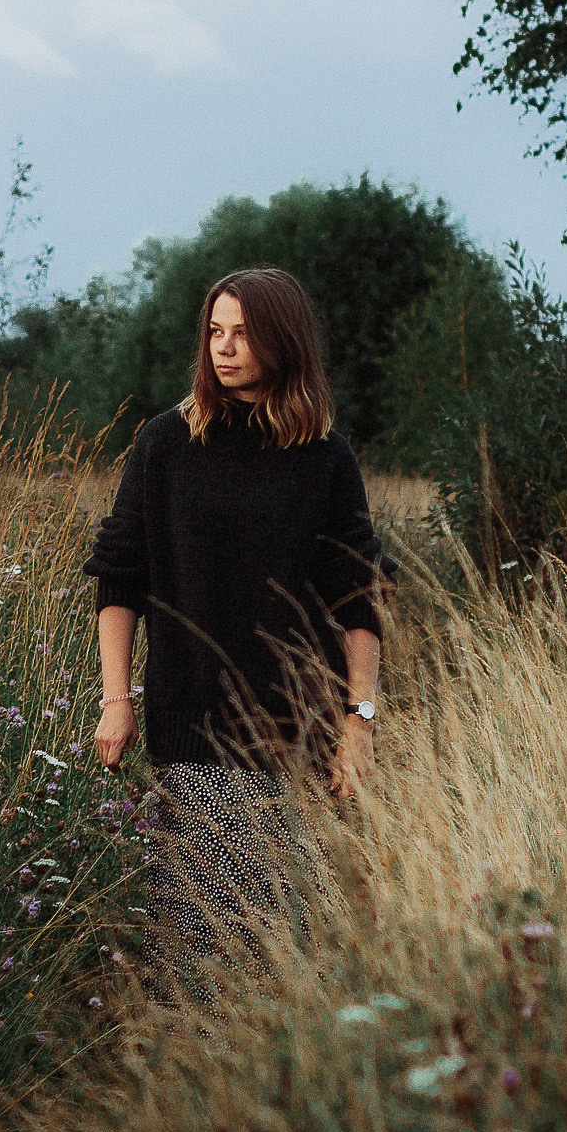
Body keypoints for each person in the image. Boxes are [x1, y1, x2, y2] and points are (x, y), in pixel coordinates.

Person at [85, 267, 383, 981]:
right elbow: (120, 577)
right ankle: (186, 1072)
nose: (225, 349)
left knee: (284, 936)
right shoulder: (165, 443)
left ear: (283, 340)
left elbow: (357, 599)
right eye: (215, 333)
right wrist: (116, 699)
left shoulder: (325, 458)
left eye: (243, 333)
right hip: (193, 722)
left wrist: (359, 721)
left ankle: (261, 1078)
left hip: (297, 728)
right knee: (197, 933)